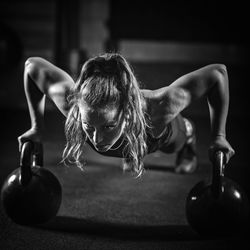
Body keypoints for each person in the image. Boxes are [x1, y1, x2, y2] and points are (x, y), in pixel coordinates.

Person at [18, 53, 235, 177]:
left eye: (108, 126)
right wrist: (37, 128)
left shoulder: (159, 106)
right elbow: (31, 66)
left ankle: (188, 133)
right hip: (131, 134)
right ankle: (131, 152)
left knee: (173, 145)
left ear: (128, 113)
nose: (96, 139)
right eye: (88, 126)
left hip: (158, 136)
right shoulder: (74, 105)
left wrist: (219, 137)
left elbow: (217, 73)